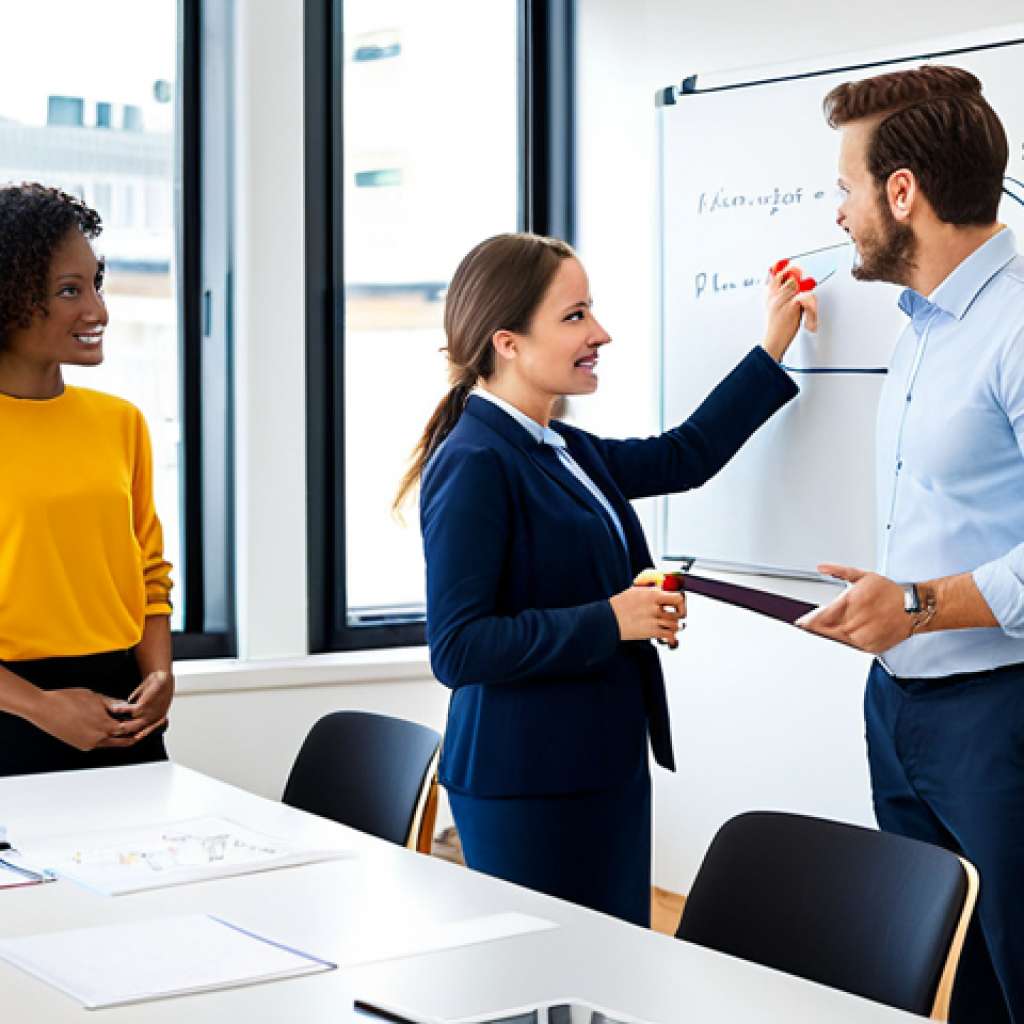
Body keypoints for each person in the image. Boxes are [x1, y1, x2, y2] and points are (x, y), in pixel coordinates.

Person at [395, 232, 814, 926]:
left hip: (602, 766)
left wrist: (772, 345)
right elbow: (459, 649)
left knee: (612, 978)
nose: (601, 333)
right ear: (508, 342)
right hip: (526, 782)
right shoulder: (475, 460)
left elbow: (686, 456)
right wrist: (612, 619)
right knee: (547, 983)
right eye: (575, 316)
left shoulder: (560, 448)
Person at [796, 67, 1024, 1023]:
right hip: (901, 706)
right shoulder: (923, 328)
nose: (837, 209)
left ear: (902, 193)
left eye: (846, 185)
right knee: (944, 983)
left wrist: (921, 604)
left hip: (1002, 718)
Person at [0, 182, 174, 777]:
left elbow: (151, 572)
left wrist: (160, 674)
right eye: (69, 291)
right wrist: (42, 707)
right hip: (13, 714)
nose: (98, 311)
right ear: (10, 298)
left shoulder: (120, 423)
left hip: (124, 713)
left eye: (96, 284)